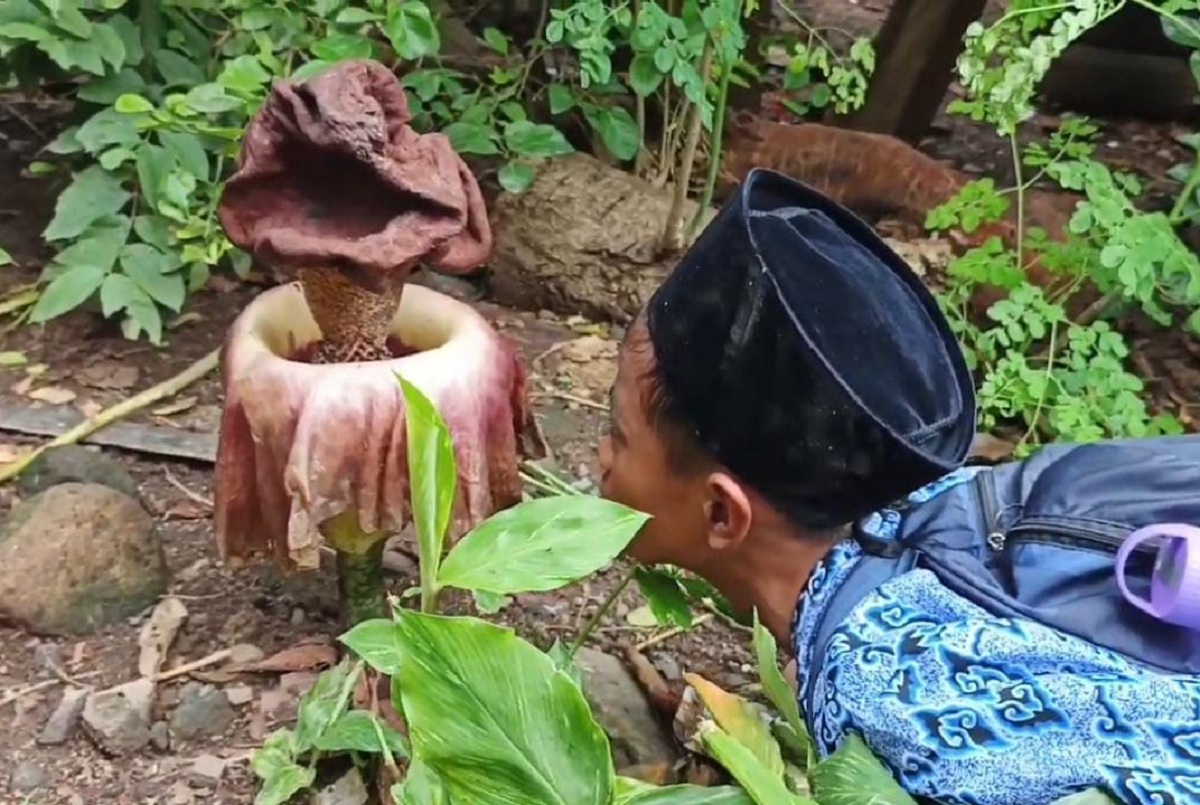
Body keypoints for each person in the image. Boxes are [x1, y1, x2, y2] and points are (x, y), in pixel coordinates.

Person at [597, 168, 1200, 805]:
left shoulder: (886, 691)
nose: (601, 459)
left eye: (617, 432)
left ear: (723, 513)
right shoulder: (923, 517)